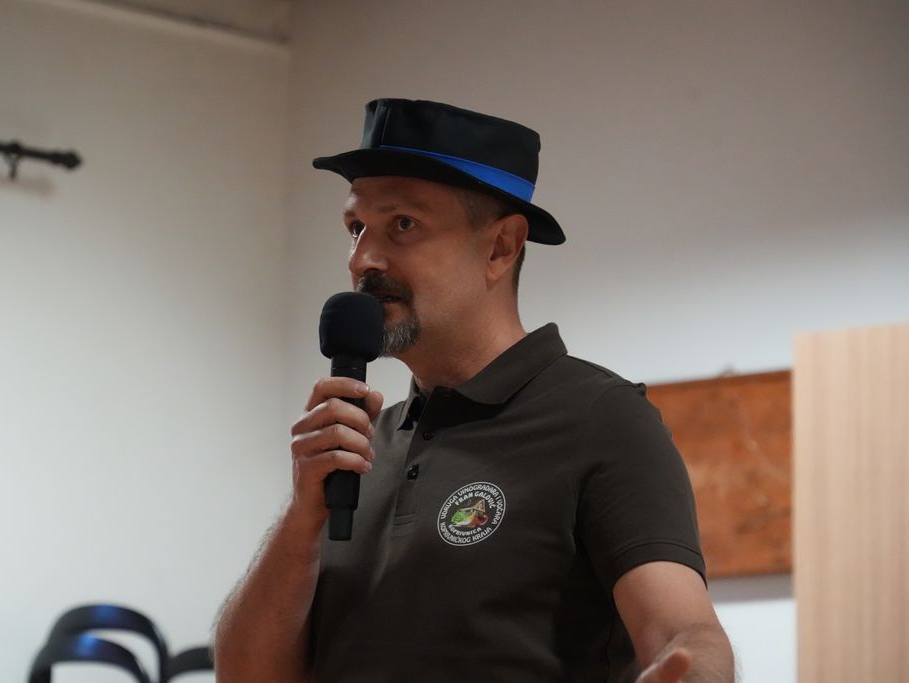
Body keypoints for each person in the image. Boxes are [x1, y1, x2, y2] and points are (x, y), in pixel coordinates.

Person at [214, 99, 734, 682]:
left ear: (500, 247)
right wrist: (300, 516)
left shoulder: (600, 418)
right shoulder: (357, 445)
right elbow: (242, 677)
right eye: (356, 227)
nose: (364, 259)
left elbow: (686, 633)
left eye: (403, 224)